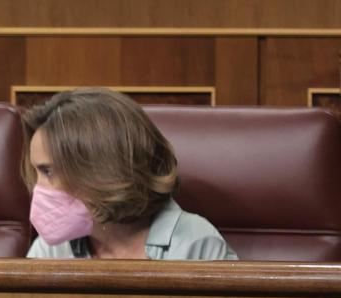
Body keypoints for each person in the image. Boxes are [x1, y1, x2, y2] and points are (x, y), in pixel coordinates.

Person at [23, 88, 238, 260]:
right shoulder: (50, 249)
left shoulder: (194, 243)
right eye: (37, 171)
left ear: (101, 169)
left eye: (48, 171)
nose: (37, 188)